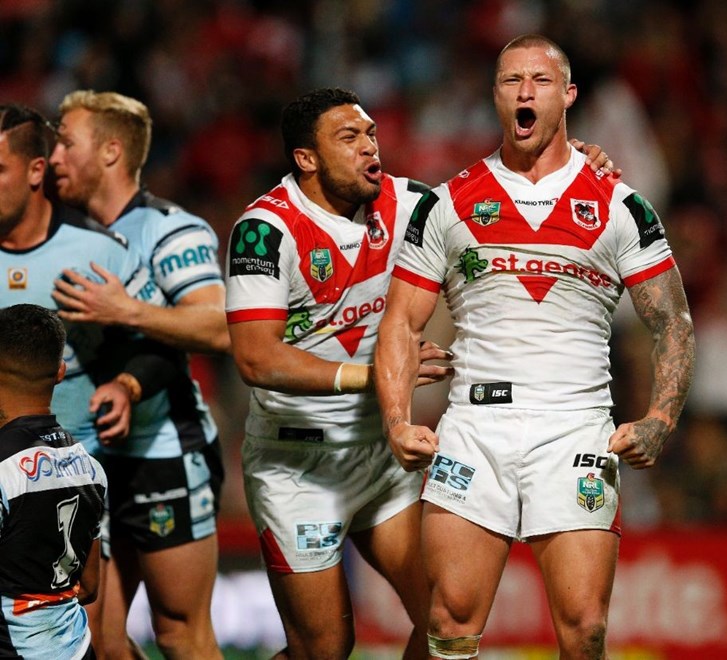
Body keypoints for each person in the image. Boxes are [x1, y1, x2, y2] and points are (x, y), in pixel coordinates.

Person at [225, 87, 616, 659]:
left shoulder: (409, 204)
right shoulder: (265, 230)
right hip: (299, 465)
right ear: (306, 158)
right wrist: (376, 377)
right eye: (348, 138)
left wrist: (561, 166)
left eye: (371, 134)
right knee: (325, 649)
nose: (369, 147)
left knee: (445, 614)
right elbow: (256, 358)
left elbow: (493, 198)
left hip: (383, 456)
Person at [374, 34, 696, 659]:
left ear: (568, 94)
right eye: (510, 80)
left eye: (540, 80)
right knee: (449, 622)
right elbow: (400, 323)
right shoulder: (448, 202)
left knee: (585, 629)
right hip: (475, 430)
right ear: (495, 96)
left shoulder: (620, 204)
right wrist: (396, 420)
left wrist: (661, 417)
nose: (525, 91)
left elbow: (673, 321)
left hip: (574, 428)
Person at [47, 90, 227, 659]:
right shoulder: (64, 234)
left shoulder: (170, 229)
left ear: (111, 151)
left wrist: (125, 310)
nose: (54, 157)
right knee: (99, 640)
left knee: (178, 632)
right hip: (90, 456)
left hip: (164, 448)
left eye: (66, 143)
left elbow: (219, 326)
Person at [0, 102, 172, 656]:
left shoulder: (99, 252)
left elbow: (161, 345)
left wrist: (127, 385)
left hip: (69, 478)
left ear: (36, 171)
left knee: (95, 639)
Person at [0, 303, 107, 660]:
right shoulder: (91, 469)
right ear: (61, 372)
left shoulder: (3, 469)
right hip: (76, 649)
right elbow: (89, 586)